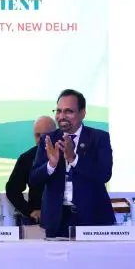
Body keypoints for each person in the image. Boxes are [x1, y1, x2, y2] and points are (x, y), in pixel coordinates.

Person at [30, 89, 115, 237]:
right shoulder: (48, 140)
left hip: (92, 218)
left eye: (68, 111)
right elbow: (33, 179)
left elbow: (104, 174)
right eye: (58, 111)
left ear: (82, 113)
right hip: (56, 220)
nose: (61, 116)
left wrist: (74, 159)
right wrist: (51, 165)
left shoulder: (99, 138)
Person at [5, 116, 56, 225]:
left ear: (56, 134)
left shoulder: (66, 155)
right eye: (38, 135)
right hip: (37, 221)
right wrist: (29, 211)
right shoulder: (26, 158)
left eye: (45, 135)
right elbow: (12, 189)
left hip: (67, 218)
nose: (41, 139)